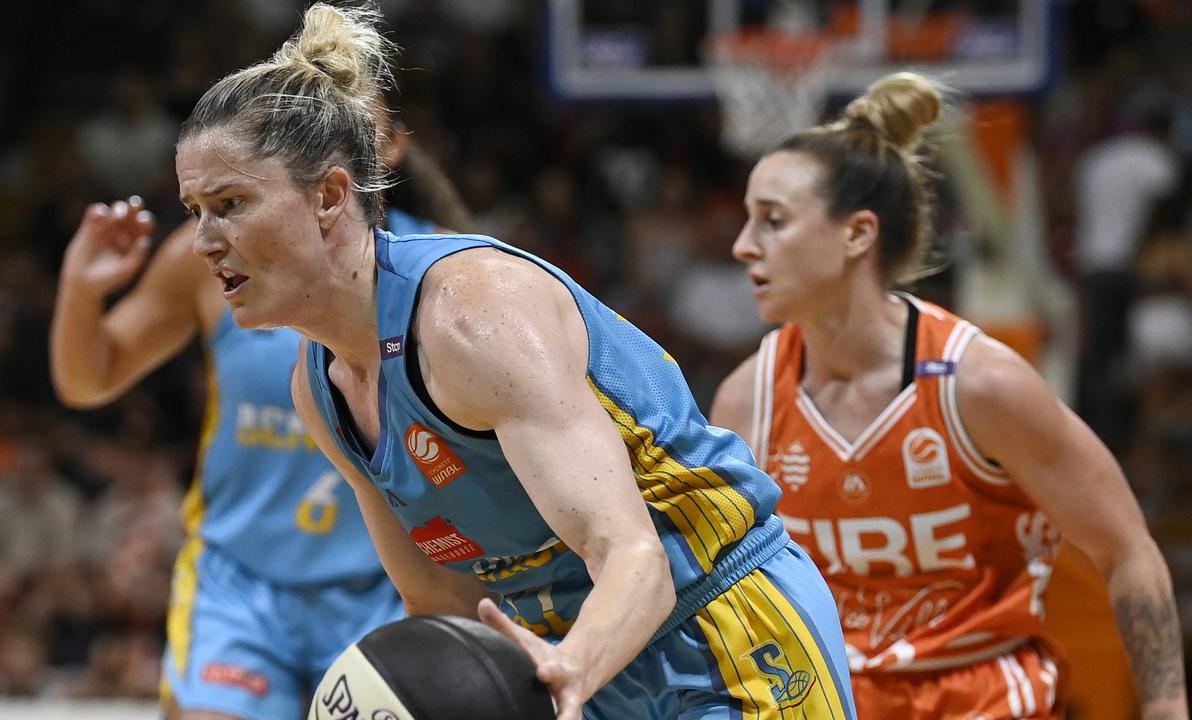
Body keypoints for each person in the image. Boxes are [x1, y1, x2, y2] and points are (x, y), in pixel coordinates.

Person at [175, 4, 856, 719]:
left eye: (230, 203)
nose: (204, 241)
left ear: (329, 196)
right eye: (194, 210)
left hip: (720, 627)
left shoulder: (470, 314)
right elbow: (437, 601)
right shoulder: (320, 389)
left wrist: (569, 669)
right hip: (572, 659)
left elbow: (634, 558)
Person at [711, 72, 1188, 720]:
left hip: (980, 702)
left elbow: (1127, 548)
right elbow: (730, 592)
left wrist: (1165, 708)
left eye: (772, 222)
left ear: (857, 235)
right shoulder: (749, 400)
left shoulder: (981, 387)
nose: (743, 246)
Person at [49, 92, 460, 720]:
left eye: (351, 127)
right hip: (240, 581)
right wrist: (81, 288)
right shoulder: (209, 255)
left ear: (391, 148)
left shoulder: (447, 270)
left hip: (391, 585)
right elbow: (88, 380)